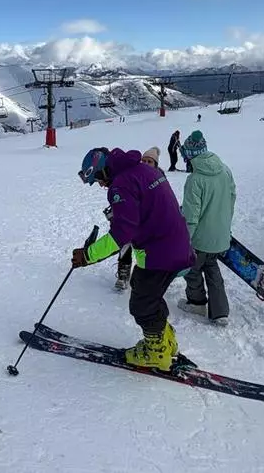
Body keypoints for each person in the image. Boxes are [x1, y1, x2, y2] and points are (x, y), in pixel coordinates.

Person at [73, 147, 195, 370]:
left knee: (142, 304)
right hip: (175, 243)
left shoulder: (120, 183)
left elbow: (122, 234)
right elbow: (141, 213)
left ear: (103, 169)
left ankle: (157, 353)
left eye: (98, 179)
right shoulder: (142, 170)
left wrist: (88, 256)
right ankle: (164, 342)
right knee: (148, 294)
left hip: (161, 251)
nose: (101, 185)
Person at [176, 131, 235, 326]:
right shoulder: (225, 170)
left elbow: (191, 218)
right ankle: (220, 312)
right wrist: (225, 226)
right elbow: (232, 198)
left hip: (201, 238)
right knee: (211, 267)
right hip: (220, 236)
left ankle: (197, 303)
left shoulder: (195, 179)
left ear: (189, 155)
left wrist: (184, 242)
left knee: (192, 269)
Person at [114, 146, 163, 291]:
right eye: (144, 161)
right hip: (134, 218)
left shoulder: (159, 177)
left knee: (149, 251)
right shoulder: (136, 175)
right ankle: (123, 274)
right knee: (125, 244)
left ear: (155, 164)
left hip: (149, 222)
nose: (146, 164)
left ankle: (150, 276)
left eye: (150, 161)